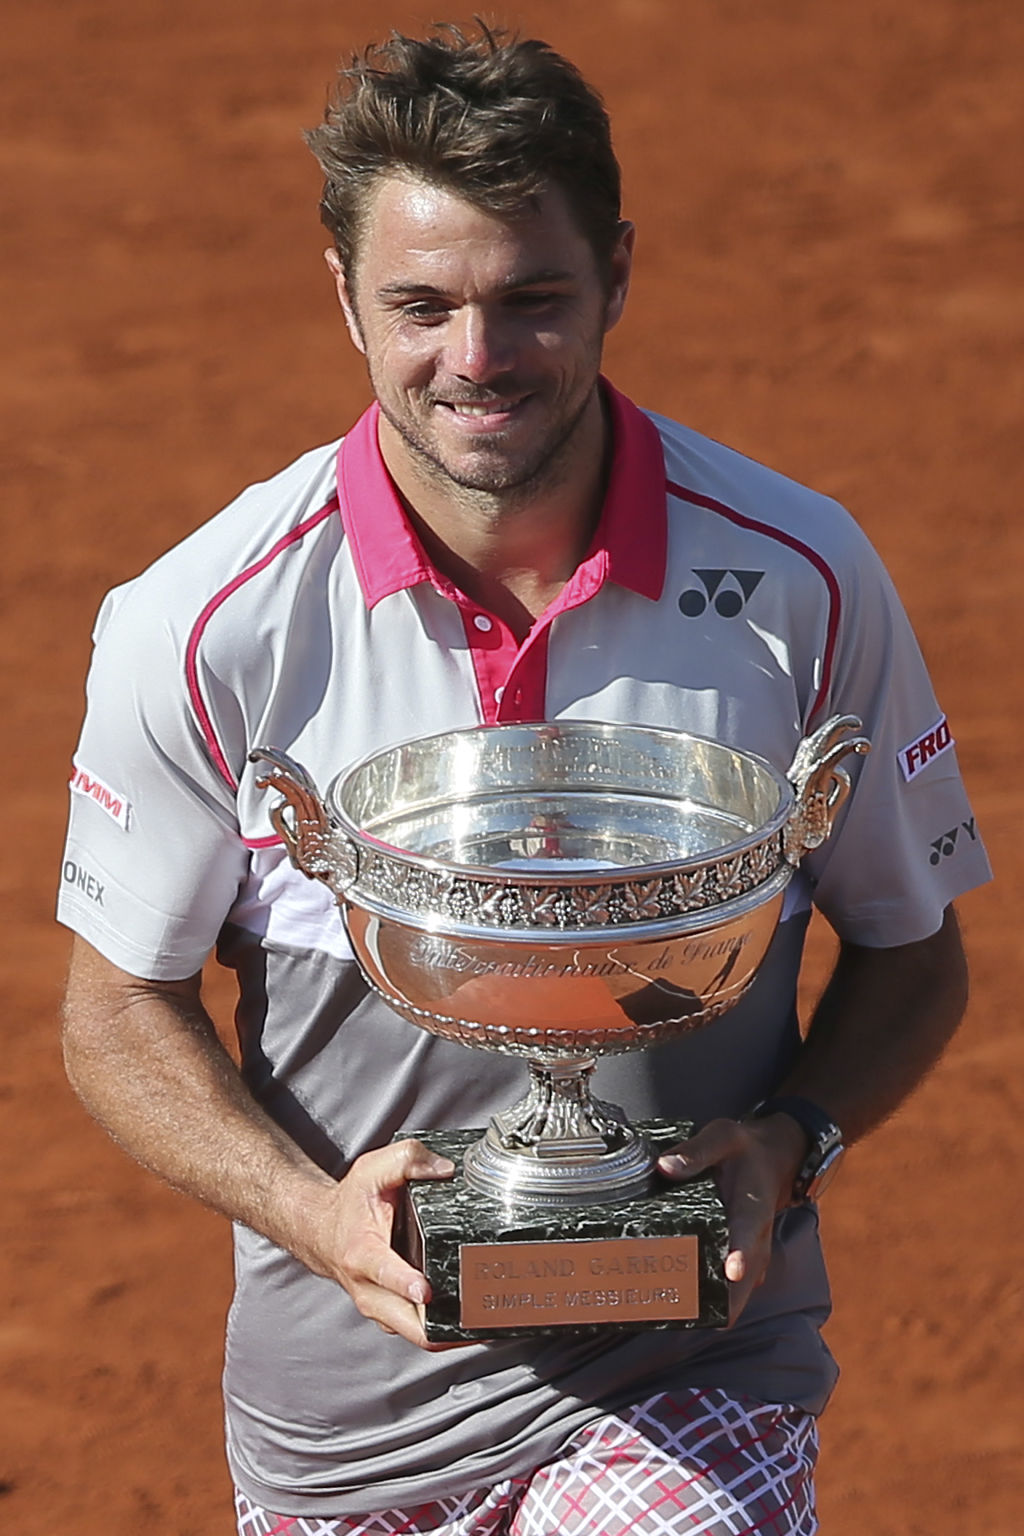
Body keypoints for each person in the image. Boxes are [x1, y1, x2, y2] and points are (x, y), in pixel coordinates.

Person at [58, 22, 990, 1536]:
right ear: (342, 295)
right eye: (420, 306)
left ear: (619, 273)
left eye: (532, 301)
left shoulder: (799, 579)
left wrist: (784, 1144)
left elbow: (913, 948)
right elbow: (114, 1007)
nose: (476, 362)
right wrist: (316, 1219)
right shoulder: (205, 624)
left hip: (689, 1379)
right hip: (342, 1429)